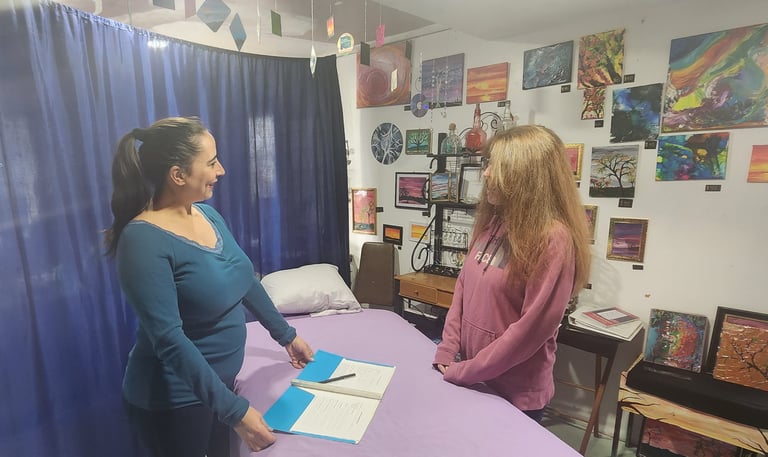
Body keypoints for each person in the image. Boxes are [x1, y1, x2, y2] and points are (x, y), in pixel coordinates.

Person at [104, 116, 314, 456]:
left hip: (219, 389)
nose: (222, 171)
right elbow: (170, 341)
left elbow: (244, 279)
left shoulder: (207, 215)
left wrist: (286, 336)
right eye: (212, 162)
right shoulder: (143, 240)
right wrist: (233, 410)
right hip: (175, 400)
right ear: (178, 174)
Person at [433, 125, 591, 423]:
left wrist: (466, 370)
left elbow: (528, 331)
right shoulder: (494, 223)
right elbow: (462, 293)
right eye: (488, 164)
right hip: (474, 379)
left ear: (527, 174)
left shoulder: (553, 238)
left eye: (498, 166)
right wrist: (447, 350)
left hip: (514, 394)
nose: (487, 174)